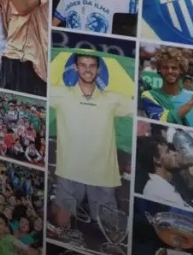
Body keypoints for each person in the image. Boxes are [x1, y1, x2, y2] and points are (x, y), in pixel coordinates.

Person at [50, 52, 132, 227]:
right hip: (70, 169)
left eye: (92, 65)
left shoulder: (113, 99)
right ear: (75, 67)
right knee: (61, 224)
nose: (88, 70)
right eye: (83, 65)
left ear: (99, 69)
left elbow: (138, 108)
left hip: (102, 172)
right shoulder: (60, 94)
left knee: (109, 228)